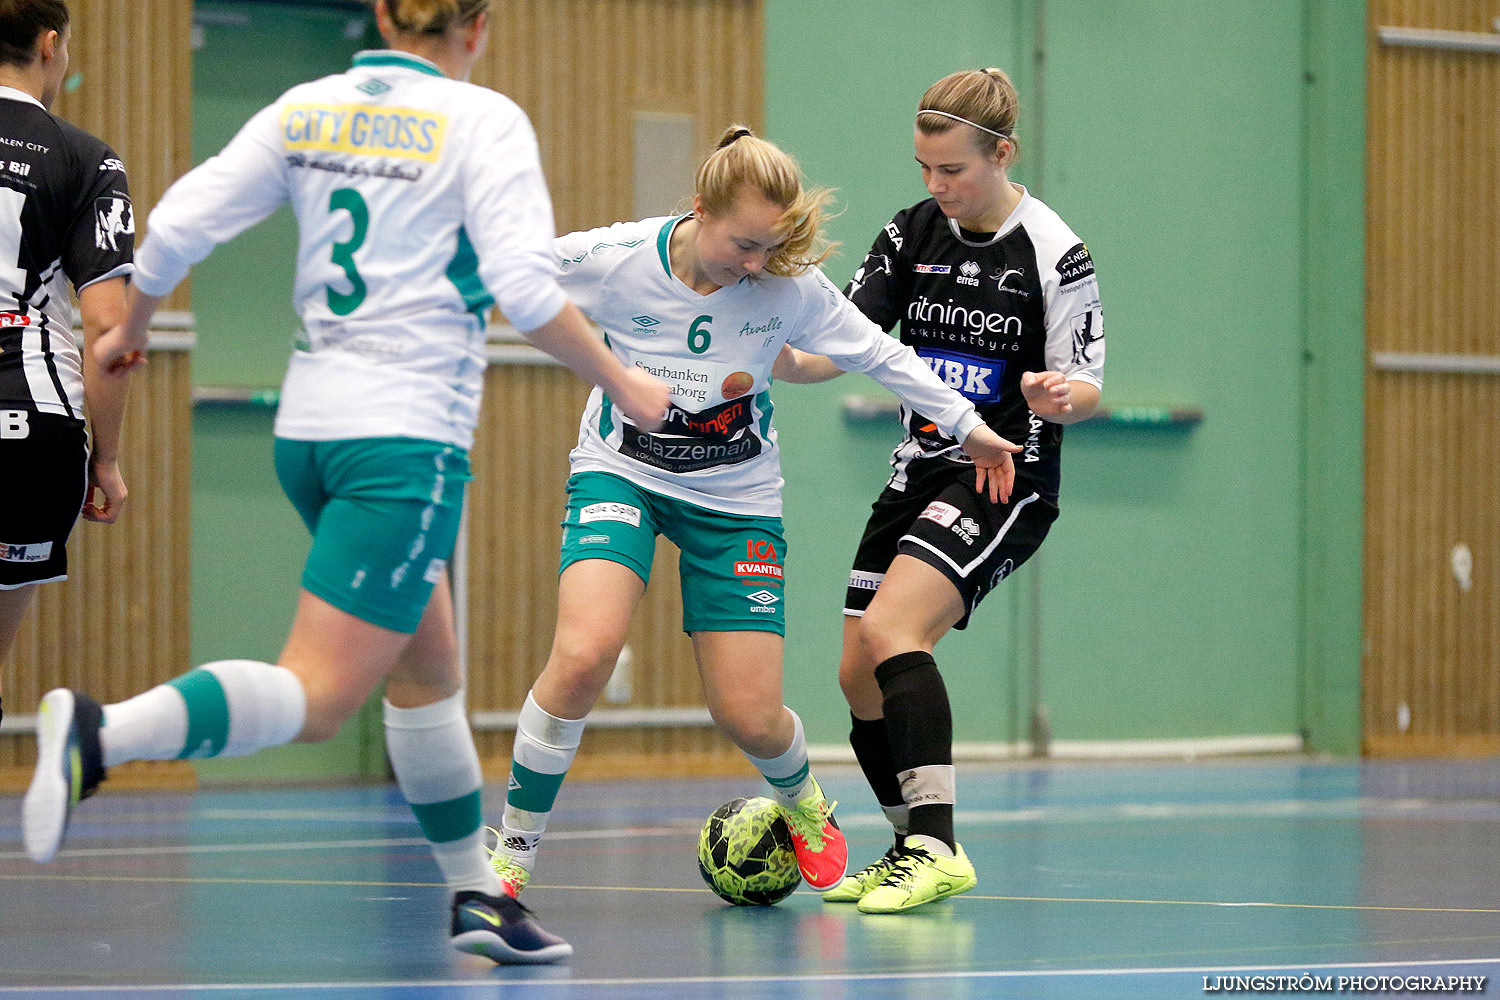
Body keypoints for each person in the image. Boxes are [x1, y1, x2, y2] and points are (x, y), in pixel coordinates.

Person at [21, 0, 669, 966]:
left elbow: (183, 218)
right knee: (321, 696)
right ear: (478, 27)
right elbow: (527, 289)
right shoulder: (483, 119)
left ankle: (480, 899)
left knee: (426, 672)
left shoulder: (309, 106)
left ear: (380, 13)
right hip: (403, 443)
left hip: (312, 432)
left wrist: (134, 323)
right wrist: (622, 380)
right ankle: (103, 732)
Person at [486, 124, 1020, 911]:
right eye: (743, 244)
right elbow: (509, 276)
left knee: (748, 714)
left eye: (770, 249)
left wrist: (968, 426)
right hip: (620, 472)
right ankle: (513, 851)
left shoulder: (788, 288)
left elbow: (884, 355)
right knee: (585, 652)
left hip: (733, 502)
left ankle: (804, 801)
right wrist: (606, 372)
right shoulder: (620, 257)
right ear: (700, 208)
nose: (754, 265)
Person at [785, 68, 1106, 913]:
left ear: (1002, 154)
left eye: (953, 170)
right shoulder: (911, 232)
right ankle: (904, 846)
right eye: (924, 168)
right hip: (916, 469)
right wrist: (781, 353)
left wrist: (1060, 396)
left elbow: (1088, 383)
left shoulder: (1054, 251)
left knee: (896, 627)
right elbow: (842, 340)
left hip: (1005, 473)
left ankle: (936, 846)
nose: (936, 186)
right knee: (858, 672)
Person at [0, 0, 135, 730]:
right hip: (30, 429)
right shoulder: (84, 158)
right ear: (50, 45)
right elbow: (109, 329)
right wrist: (105, 459)